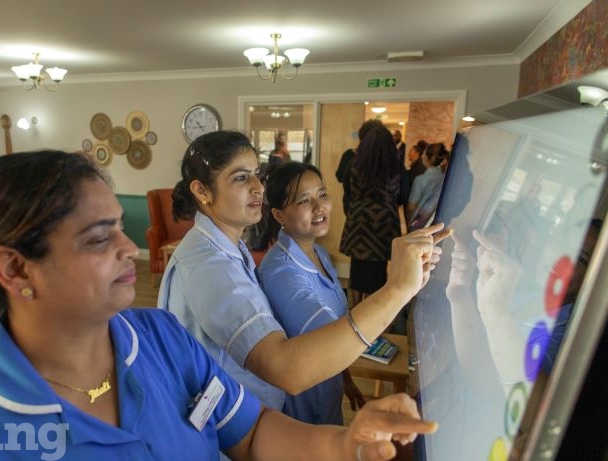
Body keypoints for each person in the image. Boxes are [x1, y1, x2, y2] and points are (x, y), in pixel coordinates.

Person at [0, 150, 438, 460]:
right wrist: (397, 290)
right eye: (99, 239)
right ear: (15, 269)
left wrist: (345, 443)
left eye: (120, 228)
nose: (129, 249)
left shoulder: (159, 337)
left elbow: (252, 433)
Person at [158, 130, 450, 419]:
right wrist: (397, 288)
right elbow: (287, 369)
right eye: (240, 177)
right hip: (229, 433)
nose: (258, 187)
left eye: (256, 174)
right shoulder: (211, 266)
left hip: (251, 421)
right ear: (202, 191)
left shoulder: (229, 248)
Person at [258, 161, 367, 425]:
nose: (319, 207)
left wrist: (345, 379)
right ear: (279, 215)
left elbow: (335, 325)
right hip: (301, 412)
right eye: (304, 201)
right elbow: (326, 340)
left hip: (327, 391)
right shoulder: (281, 272)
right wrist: (398, 286)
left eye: (322, 194)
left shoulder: (317, 252)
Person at [339, 120, 405, 304]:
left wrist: (355, 211)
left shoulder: (354, 165)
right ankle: (371, 309)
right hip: (385, 225)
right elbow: (403, 197)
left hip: (359, 221)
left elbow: (348, 193)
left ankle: (354, 308)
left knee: (357, 269)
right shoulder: (396, 167)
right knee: (378, 271)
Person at [405, 143, 449, 231]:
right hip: (437, 224)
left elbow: (411, 207)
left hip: (418, 225)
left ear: (425, 157)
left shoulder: (421, 179)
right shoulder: (445, 177)